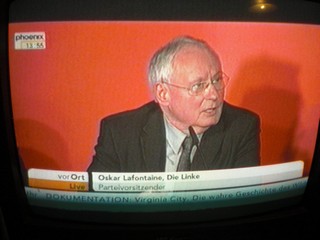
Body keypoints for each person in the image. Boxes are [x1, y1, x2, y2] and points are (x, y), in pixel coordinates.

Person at [87, 36, 260, 173]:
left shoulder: (241, 128)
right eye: (198, 86)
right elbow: (94, 201)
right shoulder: (120, 133)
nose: (214, 94)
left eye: (217, 80)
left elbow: (242, 204)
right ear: (163, 94)